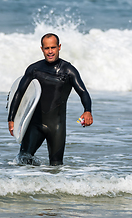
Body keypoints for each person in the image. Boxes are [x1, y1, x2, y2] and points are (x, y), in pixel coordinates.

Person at [8, 33, 93, 166]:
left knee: (56, 166)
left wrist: (87, 110)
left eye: (53, 47)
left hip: (56, 127)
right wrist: (11, 119)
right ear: (42, 49)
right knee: (23, 160)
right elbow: (19, 93)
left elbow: (83, 93)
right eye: (47, 48)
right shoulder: (34, 69)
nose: (50, 51)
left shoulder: (69, 71)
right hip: (35, 124)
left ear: (59, 47)